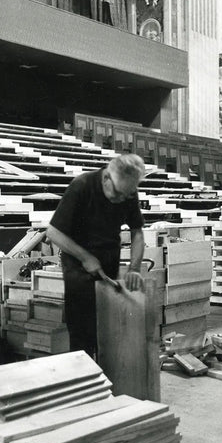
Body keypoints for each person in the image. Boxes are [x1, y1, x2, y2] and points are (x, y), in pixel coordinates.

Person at [46, 154, 146, 360]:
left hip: (109, 261)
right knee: (82, 331)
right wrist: (85, 257)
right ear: (106, 178)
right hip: (78, 266)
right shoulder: (82, 186)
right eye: (118, 193)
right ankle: (84, 379)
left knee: (107, 328)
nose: (121, 200)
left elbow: (137, 231)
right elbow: (53, 232)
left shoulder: (127, 191)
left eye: (126, 195)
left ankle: (106, 379)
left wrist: (134, 268)